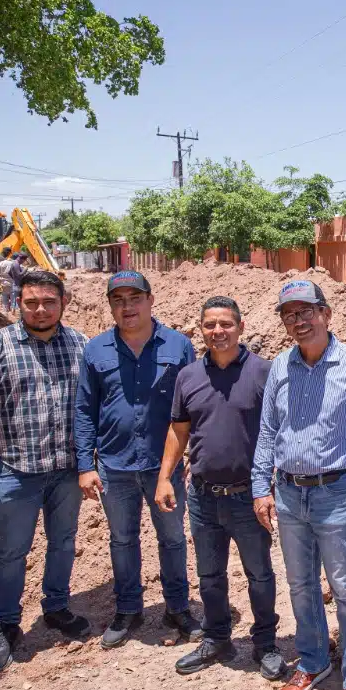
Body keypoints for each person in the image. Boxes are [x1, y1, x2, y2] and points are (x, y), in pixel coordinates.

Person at [252, 279, 346, 690]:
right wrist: (261, 486)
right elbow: (268, 431)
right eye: (289, 314)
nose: (299, 320)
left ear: (326, 314)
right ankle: (312, 661)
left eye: (307, 310)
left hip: (336, 494)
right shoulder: (280, 368)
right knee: (302, 585)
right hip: (289, 493)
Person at [0, 268, 92, 673]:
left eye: (49, 302)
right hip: (16, 471)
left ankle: (56, 606)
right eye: (31, 301)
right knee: (13, 550)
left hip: (67, 469)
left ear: (63, 303)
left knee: (63, 541)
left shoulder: (82, 345)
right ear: (18, 302)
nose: (40, 309)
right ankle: (7, 624)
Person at [159, 295, 284, 680]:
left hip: (249, 496)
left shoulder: (265, 372)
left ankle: (265, 643)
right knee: (210, 574)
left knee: (259, 574)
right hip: (202, 497)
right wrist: (165, 476)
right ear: (202, 330)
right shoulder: (188, 377)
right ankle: (217, 638)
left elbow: (281, 432)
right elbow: (179, 431)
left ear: (241, 327)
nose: (218, 331)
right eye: (210, 325)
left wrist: (273, 486)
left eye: (226, 324)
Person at [75, 270, 200, 648]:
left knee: (173, 538)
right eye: (118, 300)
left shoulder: (178, 345)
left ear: (150, 299)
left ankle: (177, 606)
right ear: (111, 306)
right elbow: (84, 409)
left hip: (165, 467)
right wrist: (85, 464)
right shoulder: (95, 350)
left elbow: (193, 404)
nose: (127, 307)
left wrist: (192, 452)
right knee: (122, 539)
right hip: (114, 464)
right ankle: (128, 608)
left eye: (134, 298)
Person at [0, 248, 17, 312]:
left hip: (3, 282)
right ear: (7, 252)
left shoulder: (0, 260)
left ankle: (5, 310)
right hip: (11, 283)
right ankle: (13, 311)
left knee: (4, 296)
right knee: (13, 298)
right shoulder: (10, 263)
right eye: (9, 253)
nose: (9, 255)